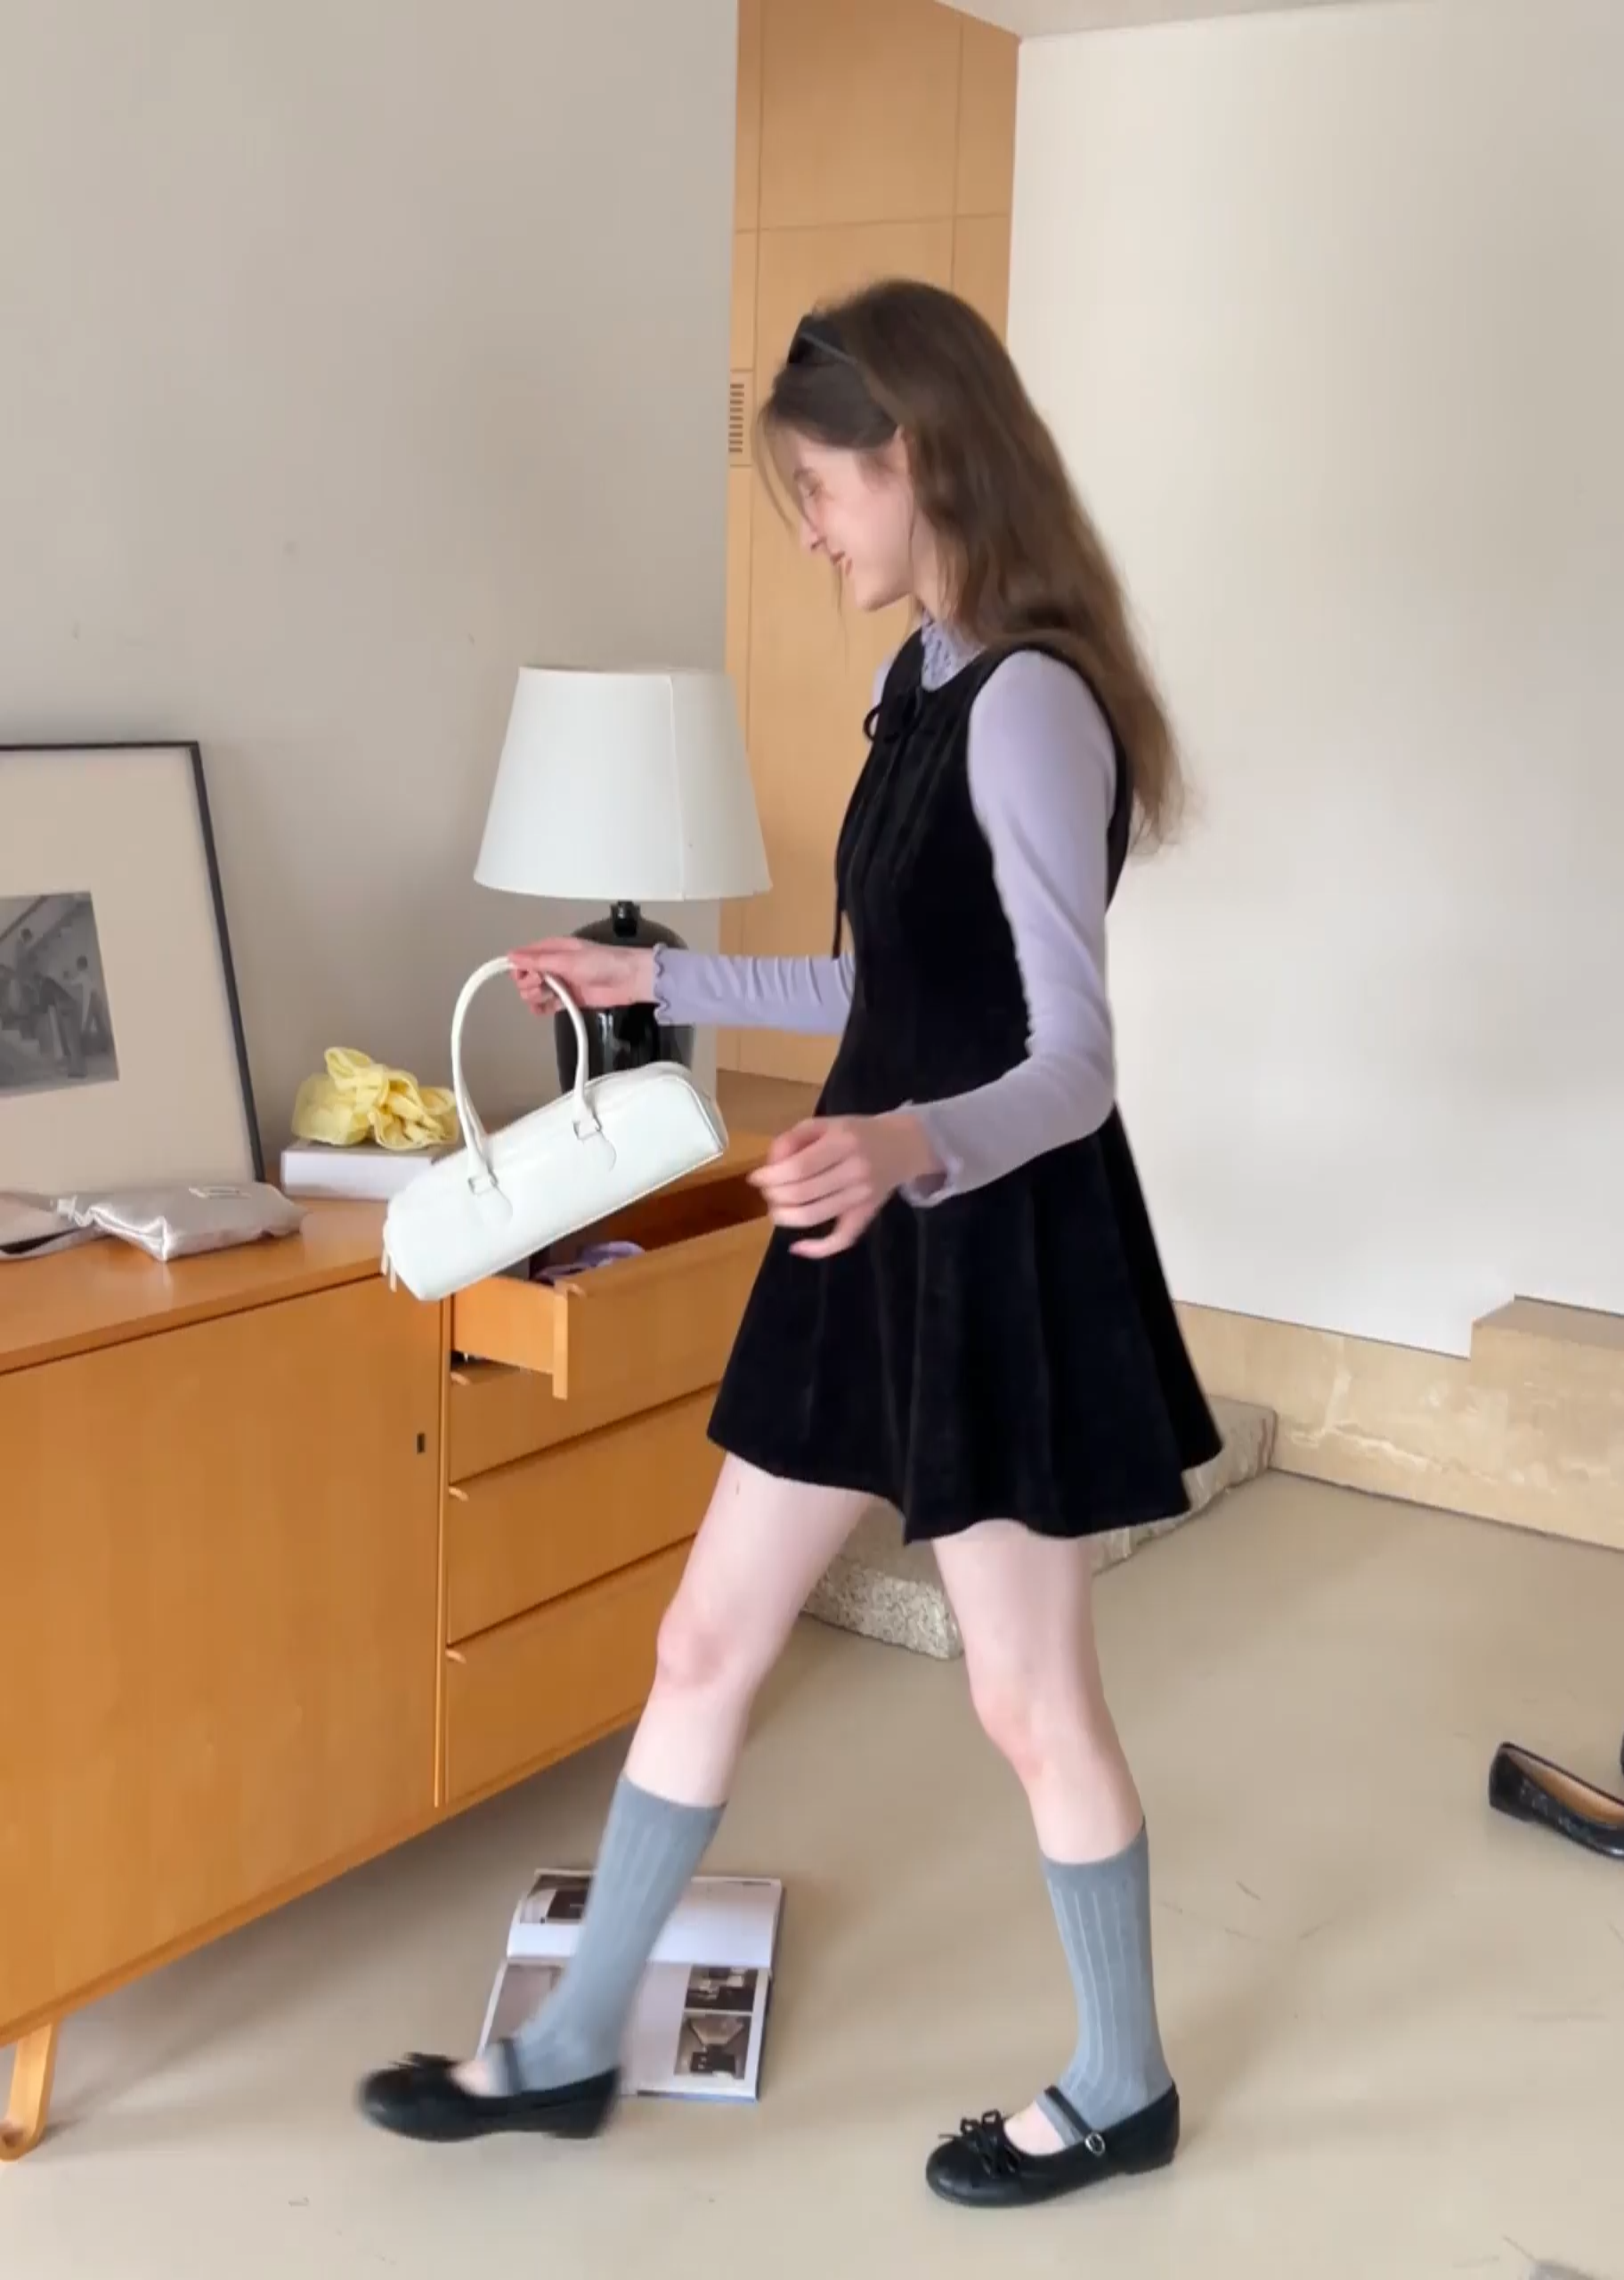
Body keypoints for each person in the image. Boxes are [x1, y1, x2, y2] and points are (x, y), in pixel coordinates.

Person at [359, 279, 1222, 2211]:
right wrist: (659, 976)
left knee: (1028, 1700)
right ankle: (568, 2049)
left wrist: (907, 1141)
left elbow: (1071, 1062)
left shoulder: (1034, 704)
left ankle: (1125, 2084)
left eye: (821, 491)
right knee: (705, 1639)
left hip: (990, 1241)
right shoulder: (919, 679)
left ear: (915, 457)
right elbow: (878, 985)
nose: (814, 533)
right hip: (868, 1225)